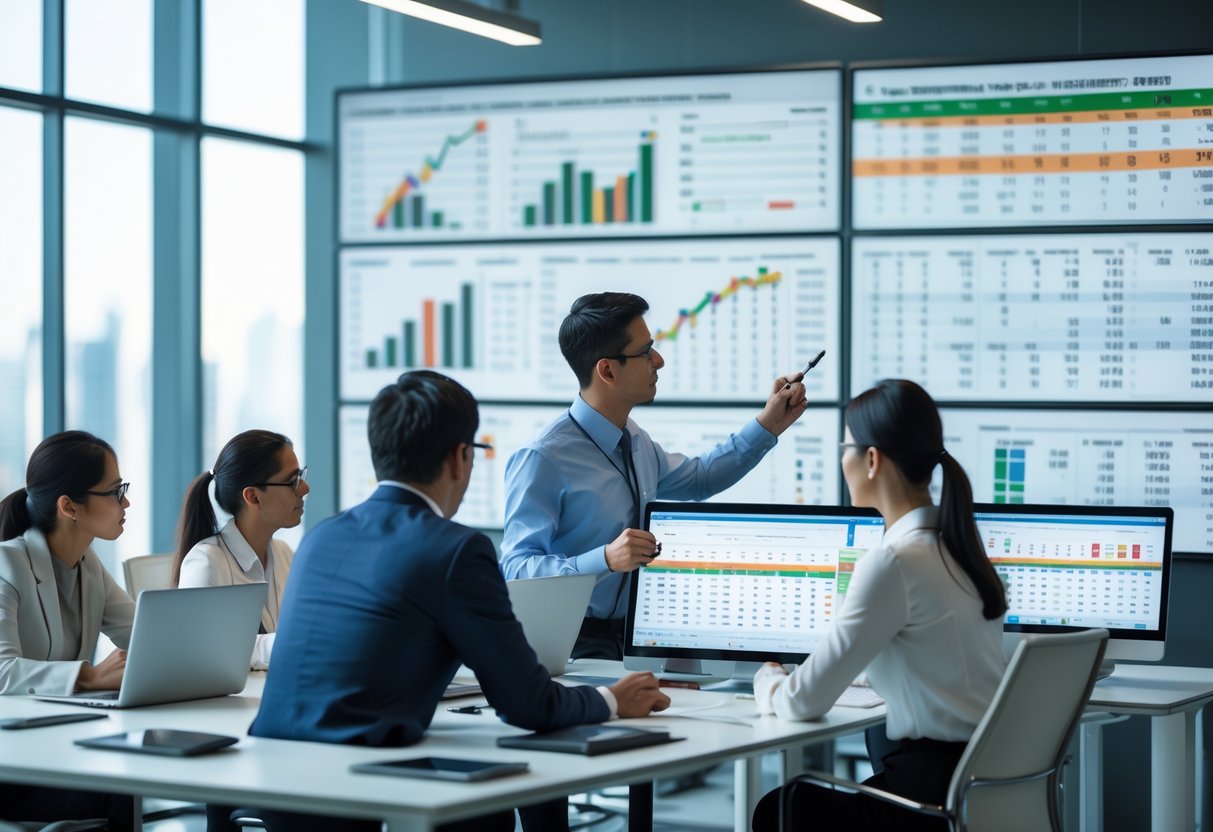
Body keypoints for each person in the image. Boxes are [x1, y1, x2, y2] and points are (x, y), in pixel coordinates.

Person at [249, 370, 670, 832]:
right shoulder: (454, 549)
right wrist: (612, 699)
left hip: (274, 791)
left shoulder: (322, 537)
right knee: (488, 813)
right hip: (357, 797)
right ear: (459, 458)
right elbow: (528, 705)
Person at [750, 380, 1009, 832]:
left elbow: (800, 702)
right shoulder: (960, 548)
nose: (842, 461)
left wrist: (768, 679)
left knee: (780, 807)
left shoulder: (893, 561)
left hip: (927, 804)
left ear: (871, 460)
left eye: (845, 448)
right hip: (982, 787)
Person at [501, 291, 809, 660]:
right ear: (607, 371)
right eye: (645, 352)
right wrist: (605, 558)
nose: (659, 361)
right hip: (571, 642)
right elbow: (515, 569)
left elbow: (700, 479)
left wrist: (768, 425)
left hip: (636, 636)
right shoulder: (543, 457)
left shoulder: (634, 440)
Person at [0, 430, 136, 830]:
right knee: (123, 782)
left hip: (55, 747)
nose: (125, 503)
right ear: (69, 506)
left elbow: (143, 634)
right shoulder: (7, 565)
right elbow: (2, 671)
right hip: (13, 767)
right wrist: (88, 677)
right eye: (115, 492)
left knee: (128, 774)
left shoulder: (87, 564)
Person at [173, 429, 307, 671]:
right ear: (253, 496)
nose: (305, 488)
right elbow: (197, 650)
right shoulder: (206, 563)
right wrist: (293, 644)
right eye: (293, 481)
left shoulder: (284, 553)